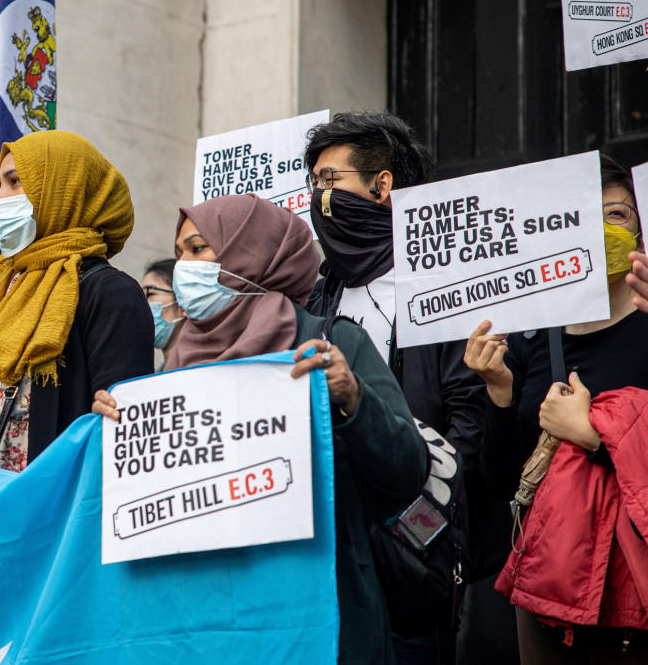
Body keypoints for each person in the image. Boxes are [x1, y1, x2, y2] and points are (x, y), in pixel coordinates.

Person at [92, 194, 427, 664]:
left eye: (197, 249)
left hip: (315, 612)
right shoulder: (174, 367)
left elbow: (407, 473)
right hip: (203, 623)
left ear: (248, 254)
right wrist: (112, 427)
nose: (184, 266)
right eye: (181, 251)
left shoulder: (333, 342)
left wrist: (353, 400)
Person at [302, 112, 493, 661]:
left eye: (330, 181)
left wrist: (427, 526)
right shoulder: (321, 296)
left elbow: (469, 423)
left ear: (382, 185)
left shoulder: (441, 285)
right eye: (313, 184)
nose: (319, 197)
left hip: (416, 554)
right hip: (340, 548)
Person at [465, 154, 648, 660]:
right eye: (582, 215)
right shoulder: (532, 336)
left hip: (634, 584)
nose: (602, 227)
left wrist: (591, 437)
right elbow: (503, 480)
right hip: (556, 585)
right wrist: (499, 392)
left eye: (617, 215)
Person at [0, 130, 154, 471]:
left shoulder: (108, 292)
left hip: (47, 508)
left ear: (64, 189)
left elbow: (123, 425)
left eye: (15, 182)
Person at [142, 258, 184, 365]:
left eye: (150, 294)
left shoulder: (204, 370)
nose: (142, 304)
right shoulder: (159, 374)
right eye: (140, 297)